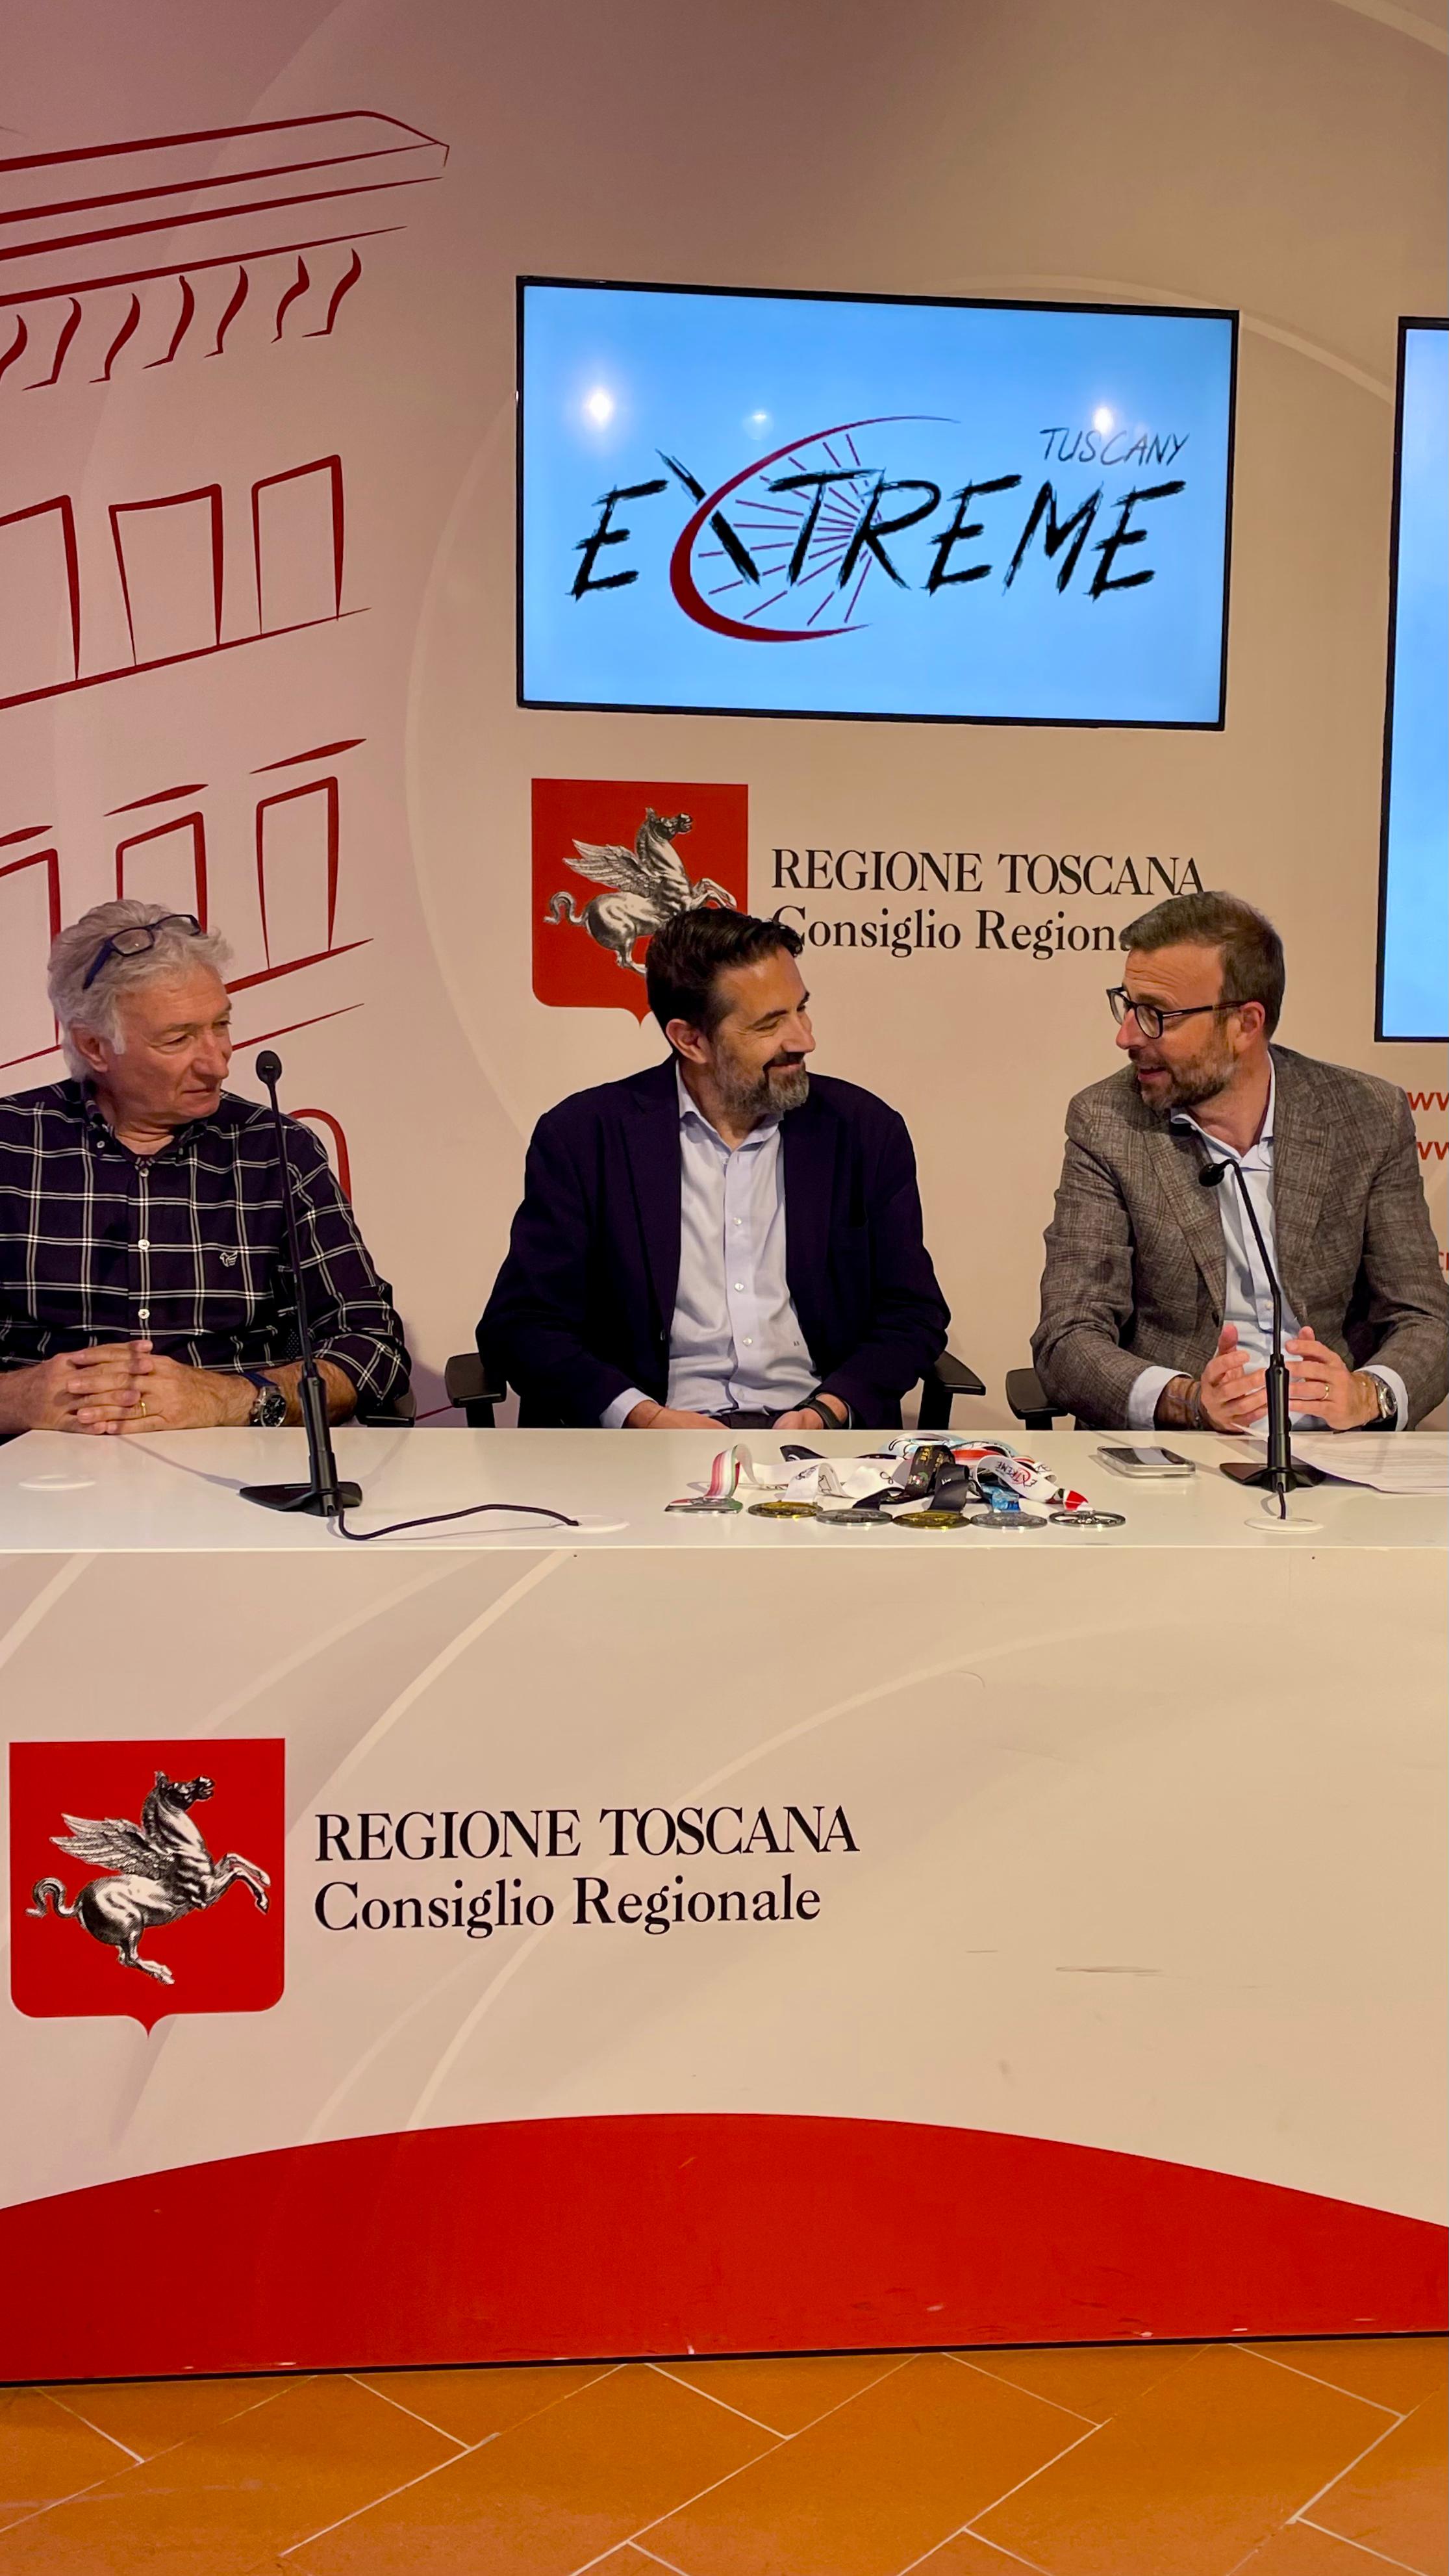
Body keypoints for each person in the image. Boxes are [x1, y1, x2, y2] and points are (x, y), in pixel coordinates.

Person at [481, 908, 948, 1428]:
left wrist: (828, 1409)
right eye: (770, 1023)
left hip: (816, 1440)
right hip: (646, 1441)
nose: (803, 1039)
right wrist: (642, 1418)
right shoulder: (583, 1137)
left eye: (801, 1009)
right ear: (691, 1040)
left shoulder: (862, 1130)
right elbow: (523, 1325)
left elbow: (912, 1313)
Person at [1031, 890, 1447, 1433]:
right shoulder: (1107, 1121)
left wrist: (1368, 1396)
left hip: (1335, 1445)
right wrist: (1187, 1401)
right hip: (1181, 1449)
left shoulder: (1367, 1115)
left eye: (1155, 1015)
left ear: (1246, 1024)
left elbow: (1426, 1319)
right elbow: (1067, 1337)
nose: (1126, 1035)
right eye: (1127, 1005)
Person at [0, 902, 410, 1436]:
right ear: (94, 1046)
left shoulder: (275, 1149)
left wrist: (229, 1398)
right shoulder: (10, 1144)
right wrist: (16, 1399)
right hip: (35, 1470)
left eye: (221, 1025)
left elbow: (373, 1349)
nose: (217, 1062)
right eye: (178, 1039)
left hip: (236, 1468)